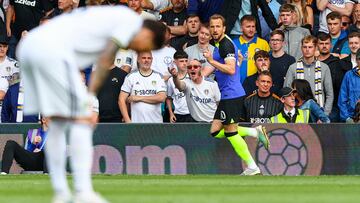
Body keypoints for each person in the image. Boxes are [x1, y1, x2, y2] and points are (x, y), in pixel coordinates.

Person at [16, 6, 167, 203]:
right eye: (146, 45)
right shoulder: (129, 21)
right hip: (49, 51)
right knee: (81, 122)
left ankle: (61, 192)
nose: (140, 50)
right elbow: (105, 61)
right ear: (147, 32)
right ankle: (82, 192)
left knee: (58, 124)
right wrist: (89, 98)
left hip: (29, 48)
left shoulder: (114, 21)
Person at [203, 14, 269, 176]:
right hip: (227, 95)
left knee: (231, 132)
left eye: (218, 26)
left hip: (232, 95)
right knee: (215, 131)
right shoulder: (222, 44)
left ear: (224, 28)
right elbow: (233, 67)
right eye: (212, 26)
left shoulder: (225, 44)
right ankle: (255, 132)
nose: (214, 29)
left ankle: (252, 167)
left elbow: (230, 69)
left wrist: (211, 61)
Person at [284, 35, 334, 115]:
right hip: (298, 111)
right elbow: (286, 91)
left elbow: (329, 94)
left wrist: (325, 114)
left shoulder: (324, 67)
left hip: (319, 110)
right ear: (301, 48)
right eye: (305, 47)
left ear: (315, 48)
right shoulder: (293, 67)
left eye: (310, 47)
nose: (307, 50)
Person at [119, 51, 167, 123]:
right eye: (144, 58)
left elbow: (161, 98)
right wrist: (127, 120)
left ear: (152, 60)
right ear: (138, 59)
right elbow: (121, 100)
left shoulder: (158, 76)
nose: (146, 60)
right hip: (136, 124)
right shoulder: (130, 77)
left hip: (156, 124)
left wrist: (138, 98)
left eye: (149, 58)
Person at [169, 58, 220, 122]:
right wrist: (175, 76)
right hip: (195, 122)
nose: (192, 69)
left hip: (212, 121)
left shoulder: (212, 84)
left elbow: (219, 103)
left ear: (200, 68)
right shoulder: (187, 83)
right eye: (189, 67)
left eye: (195, 67)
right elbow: (180, 86)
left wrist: (218, 120)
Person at [233, 15, 270, 82]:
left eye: (253, 26)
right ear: (241, 28)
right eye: (248, 27)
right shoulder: (233, 44)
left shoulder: (263, 44)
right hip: (238, 84)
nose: (251, 29)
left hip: (257, 84)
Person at [317, 32, 344, 122]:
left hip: (333, 106)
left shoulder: (337, 63)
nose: (324, 46)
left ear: (331, 45)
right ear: (317, 45)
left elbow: (340, 88)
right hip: (315, 104)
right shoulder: (312, 63)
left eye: (327, 43)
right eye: (321, 43)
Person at [166, 50, 192, 123]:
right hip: (178, 114)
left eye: (186, 61)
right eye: (181, 61)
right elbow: (169, 98)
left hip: (193, 113)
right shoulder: (171, 80)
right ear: (175, 62)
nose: (184, 64)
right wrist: (171, 113)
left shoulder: (192, 77)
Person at [269, 30, 296, 95]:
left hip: (285, 95)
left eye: (278, 40)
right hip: (269, 96)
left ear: (283, 43)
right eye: (272, 40)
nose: (275, 43)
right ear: (269, 42)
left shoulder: (290, 60)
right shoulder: (266, 59)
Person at [338, 49, 360, 123]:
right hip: (352, 117)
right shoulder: (349, 75)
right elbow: (342, 99)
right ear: (356, 60)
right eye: (359, 59)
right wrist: (346, 118)